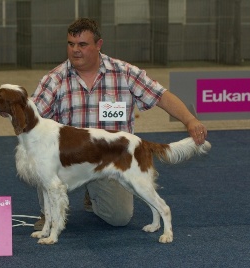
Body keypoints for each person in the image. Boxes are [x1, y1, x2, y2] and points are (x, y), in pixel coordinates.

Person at [31, 18, 207, 230]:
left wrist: (190, 120)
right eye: (71, 44)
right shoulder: (54, 78)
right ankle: (48, 212)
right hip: (69, 159)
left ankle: (93, 197)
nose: (75, 50)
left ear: (98, 45)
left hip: (113, 158)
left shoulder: (124, 72)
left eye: (82, 45)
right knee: (42, 158)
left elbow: (161, 96)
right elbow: (32, 118)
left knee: (119, 217)